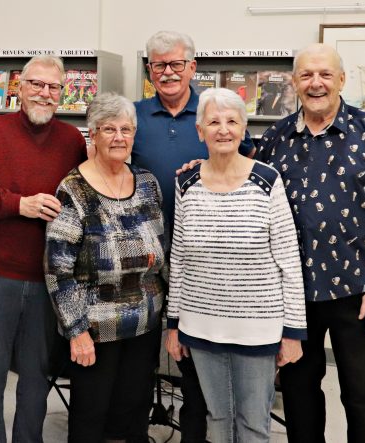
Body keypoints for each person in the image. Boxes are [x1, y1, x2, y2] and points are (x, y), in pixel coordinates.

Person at [255, 43, 365, 442]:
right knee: (298, 397)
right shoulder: (275, 139)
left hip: (360, 295)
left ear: (342, 80)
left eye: (325, 75)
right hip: (293, 298)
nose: (316, 83)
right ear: (294, 82)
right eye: (306, 75)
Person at [0, 55, 87, 443]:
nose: (44, 94)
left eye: (53, 88)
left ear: (62, 94)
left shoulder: (72, 141)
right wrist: (19, 204)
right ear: (19, 88)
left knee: (36, 380)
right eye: (36, 85)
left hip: (49, 280)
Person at [131, 30, 255, 442]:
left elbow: (243, 165)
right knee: (138, 361)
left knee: (198, 365)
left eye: (176, 64)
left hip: (203, 262)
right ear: (150, 69)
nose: (168, 72)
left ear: (192, 68)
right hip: (143, 260)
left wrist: (212, 162)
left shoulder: (213, 114)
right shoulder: (133, 116)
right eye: (159, 65)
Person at [165, 88, 306, 442]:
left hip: (258, 327)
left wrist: (293, 332)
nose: (223, 130)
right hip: (200, 326)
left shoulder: (267, 180)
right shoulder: (186, 183)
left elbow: (289, 260)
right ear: (200, 131)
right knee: (217, 418)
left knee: (253, 423)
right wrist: (174, 324)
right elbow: (179, 256)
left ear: (244, 130)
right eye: (213, 122)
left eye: (232, 122)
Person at [45, 92, 166, 443]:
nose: (119, 137)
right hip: (96, 328)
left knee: (135, 411)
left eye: (126, 129)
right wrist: (76, 331)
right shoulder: (74, 190)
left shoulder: (146, 182)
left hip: (146, 322)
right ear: (92, 134)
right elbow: (58, 271)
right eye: (109, 129)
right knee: (91, 416)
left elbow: (163, 251)